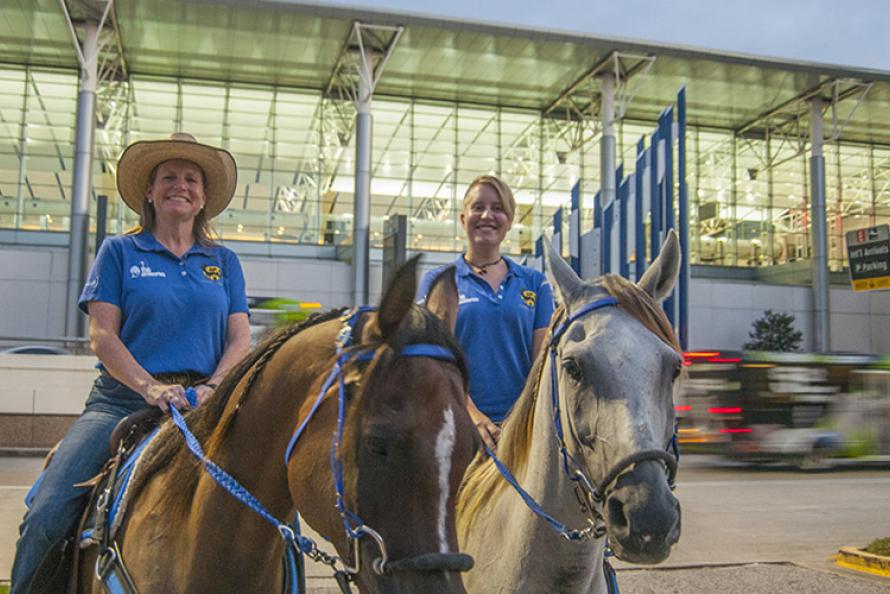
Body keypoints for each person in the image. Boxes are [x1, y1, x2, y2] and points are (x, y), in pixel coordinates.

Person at [11, 133, 251, 593]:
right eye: (168, 177)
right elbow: (102, 335)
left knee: (279, 500)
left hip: (206, 401)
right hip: (121, 401)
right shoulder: (119, 251)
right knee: (46, 512)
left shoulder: (224, 261)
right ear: (149, 190)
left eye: (190, 179)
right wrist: (148, 387)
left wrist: (217, 386)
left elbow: (239, 337)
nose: (179, 185)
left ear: (203, 197)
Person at [417, 175, 554, 451]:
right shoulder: (438, 282)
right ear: (462, 218)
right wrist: (472, 413)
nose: (487, 215)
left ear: (509, 221)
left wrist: (522, 422)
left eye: (498, 208)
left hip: (519, 433)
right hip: (455, 427)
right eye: (478, 207)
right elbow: (431, 362)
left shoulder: (534, 283)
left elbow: (542, 364)